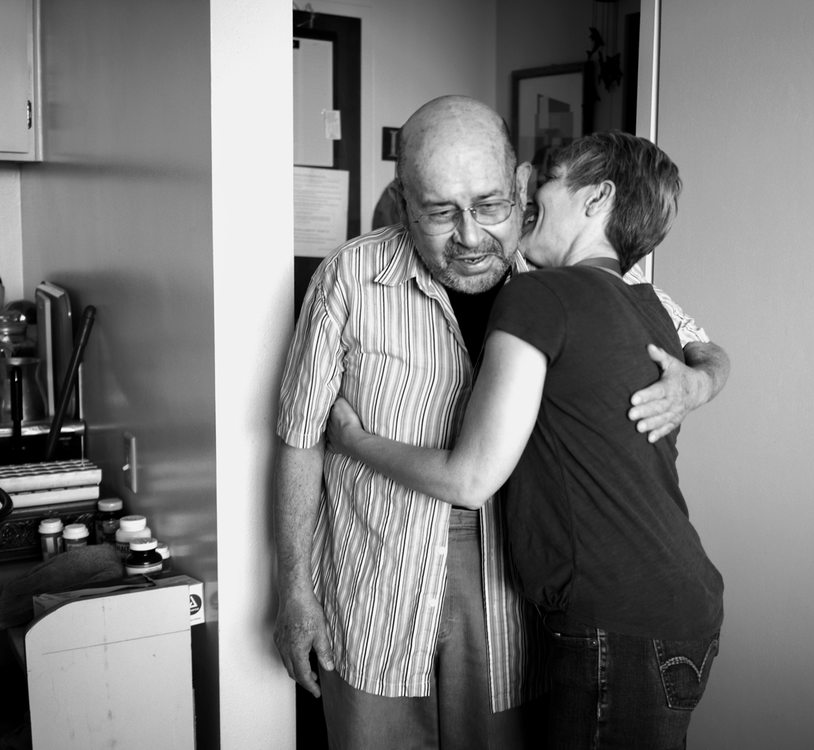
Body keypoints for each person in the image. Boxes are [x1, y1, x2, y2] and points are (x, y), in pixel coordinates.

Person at [273, 96, 729, 750]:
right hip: (374, 585)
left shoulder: (562, 275)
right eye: (438, 211)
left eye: (489, 205)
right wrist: (294, 594)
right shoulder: (348, 274)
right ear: (403, 202)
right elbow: (298, 437)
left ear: (519, 185)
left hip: (511, 599)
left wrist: (699, 380)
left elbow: (698, 342)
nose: (468, 234)